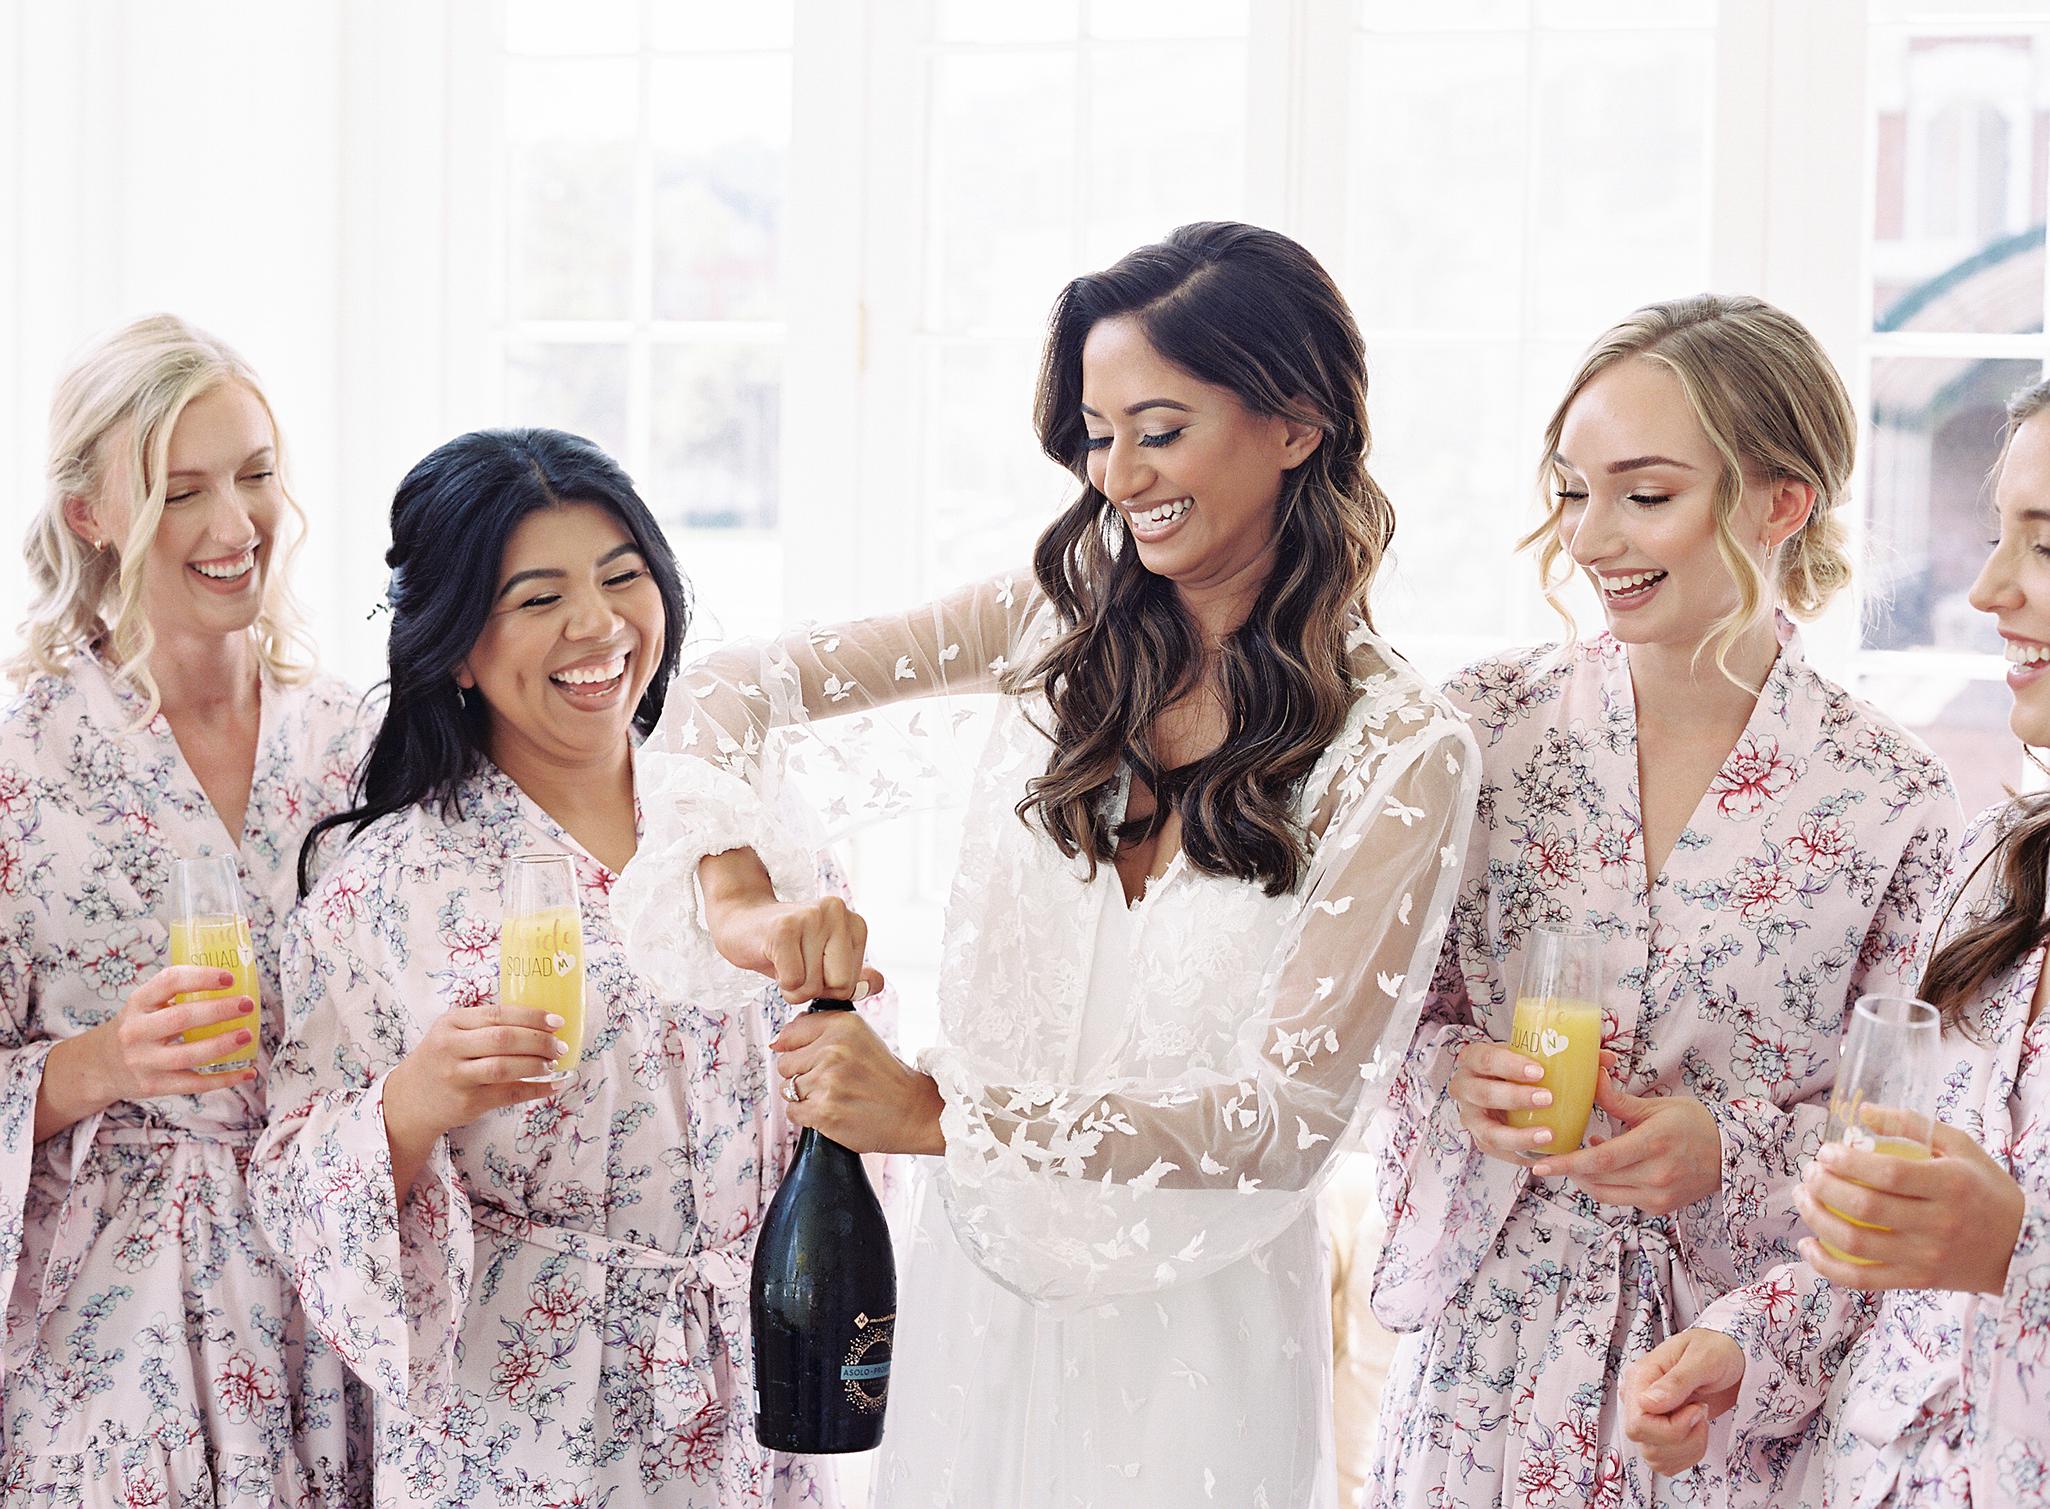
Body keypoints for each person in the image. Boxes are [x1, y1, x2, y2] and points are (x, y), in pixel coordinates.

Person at [610, 220, 1479, 1508]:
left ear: (1296, 423)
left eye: (1161, 427)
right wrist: (741, 901)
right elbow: (729, 690)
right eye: (1095, 432)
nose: (1118, 474)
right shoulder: (1048, 624)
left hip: (1203, 1342)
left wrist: (937, 1114)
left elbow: (1286, 1123)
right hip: (980, 1293)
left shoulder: (1404, 747)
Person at [1363, 295, 1961, 1508]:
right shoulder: (1480, 730)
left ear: (1778, 502)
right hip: (1489, 1368)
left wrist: (1727, 1155)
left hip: (1714, 1394)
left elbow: (1907, 1147)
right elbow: (1376, 1019)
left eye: (1644, 494)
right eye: (1572, 492)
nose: (1588, 541)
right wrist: (1453, 1077)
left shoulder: (1896, 802)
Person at [249, 427, 861, 1507]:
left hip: (749, 1389)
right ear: (454, 647)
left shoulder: (744, 812)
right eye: (537, 599)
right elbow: (290, 1181)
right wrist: (407, 1106)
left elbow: (833, 1101)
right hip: (521, 1420)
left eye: (623, 577)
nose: (598, 625)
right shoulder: (385, 883)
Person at [1620, 376, 2050, 1508]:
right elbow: (1874, 1236)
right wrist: (1741, 1353)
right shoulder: (1996, 871)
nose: (1988, 587)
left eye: (2044, 545)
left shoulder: (1898, 802)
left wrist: (2018, 1251)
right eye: (1999, 533)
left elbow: (1987, 1249)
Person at [0, 315, 370, 1502]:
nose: (233, 526)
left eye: (257, 476)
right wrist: (105, 1061)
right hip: (114, 1346)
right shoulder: (19, 765)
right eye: (179, 489)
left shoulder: (360, 746)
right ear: (89, 516)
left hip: (335, 1303)